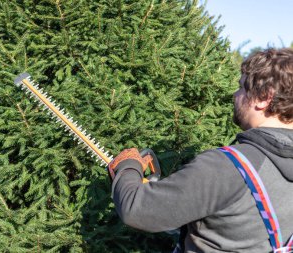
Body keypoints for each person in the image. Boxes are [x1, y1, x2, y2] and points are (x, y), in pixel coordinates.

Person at [108, 48, 293, 253]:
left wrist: (127, 167)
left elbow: (137, 209)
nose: (235, 94)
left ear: (263, 98)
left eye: (241, 87)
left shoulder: (227, 167)